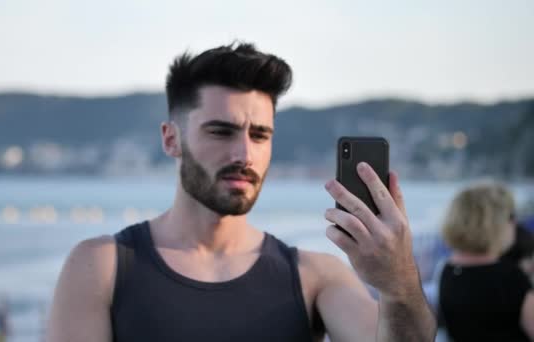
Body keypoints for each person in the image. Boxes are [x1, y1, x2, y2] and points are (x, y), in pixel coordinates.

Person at [47, 42, 436, 341]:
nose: (244, 153)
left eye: (260, 134)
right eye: (221, 131)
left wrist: (397, 281)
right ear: (171, 139)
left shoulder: (314, 277)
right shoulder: (100, 267)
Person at [438, 182, 534, 341]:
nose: (514, 223)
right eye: (510, 216)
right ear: (494, 224)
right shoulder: (510, 278)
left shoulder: (447, 270)